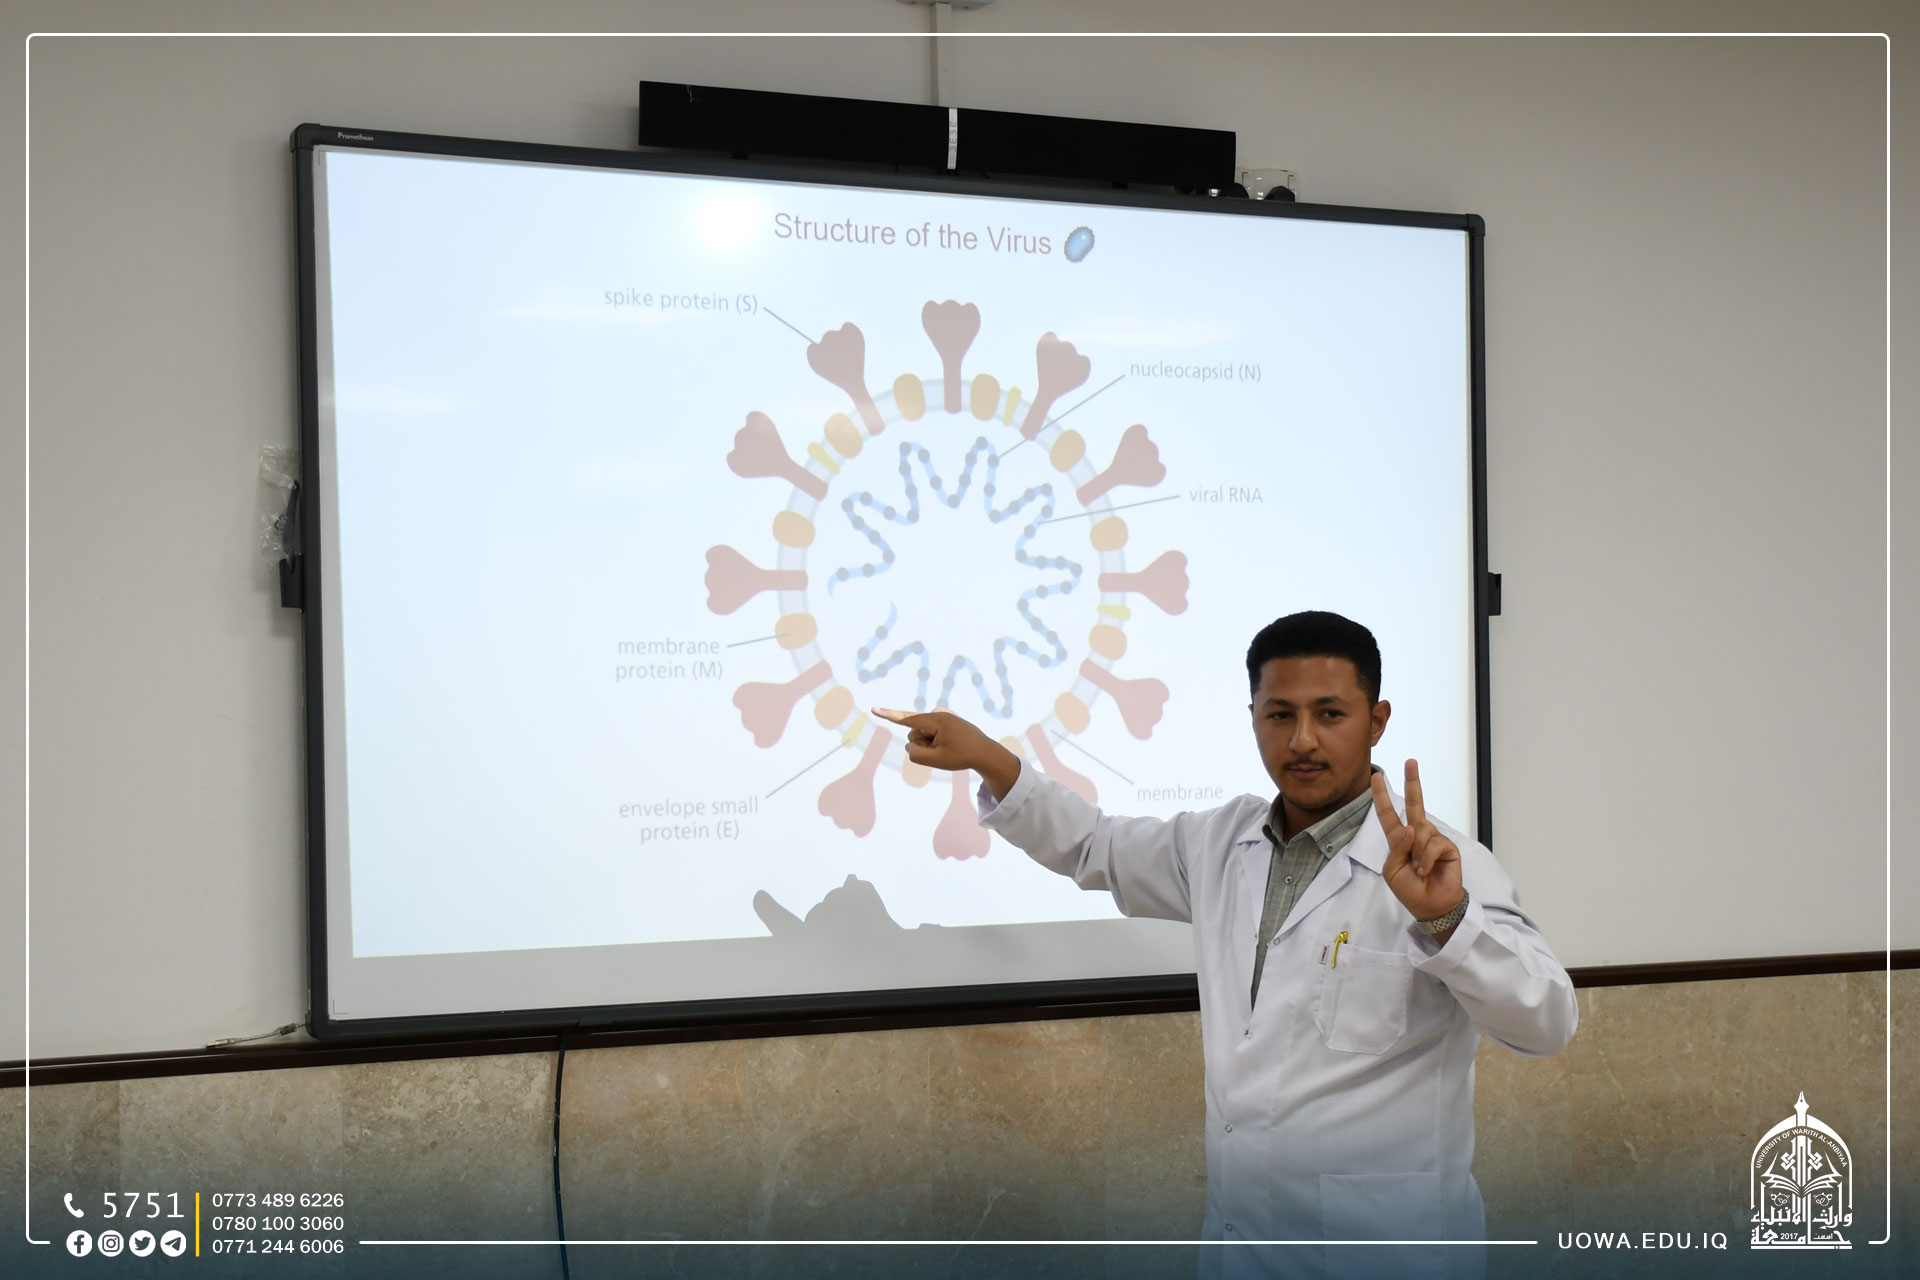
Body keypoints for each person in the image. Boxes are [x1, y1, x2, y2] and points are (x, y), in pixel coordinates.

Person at [874, 610, 1577, 1280]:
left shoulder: (1445, 866)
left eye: (1330, 714)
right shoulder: (1219, 843)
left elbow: (1547, 1023)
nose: (1302, 741)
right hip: (1244, 1245)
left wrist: (1448, 921)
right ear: (1254, 718)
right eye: (1280, 715)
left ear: (1376, 720)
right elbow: (1093, 845)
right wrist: (988, 757)